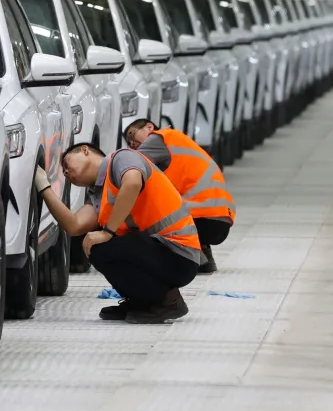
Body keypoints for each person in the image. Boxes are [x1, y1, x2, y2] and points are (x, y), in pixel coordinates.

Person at [34, 143, 202, 324]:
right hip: (160, 253)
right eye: (63, 172)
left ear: (85, 150)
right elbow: (74, 225)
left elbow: (132, 183)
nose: (66, 172)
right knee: (95, 247)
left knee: (103, 245)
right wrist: (44, 187)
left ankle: (168, 301)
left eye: (67, 164)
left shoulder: (122, 158)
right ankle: (141, 302)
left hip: (179, 252)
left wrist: (107, 232)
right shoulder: (99, 194)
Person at [124, 119, 235, 274]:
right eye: (129, 143)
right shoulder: (178, 140)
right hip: (221, 219)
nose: (132, 144)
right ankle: (203, 256)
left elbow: (127, 165)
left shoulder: (158, 138)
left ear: (149, 127)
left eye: (132, 135)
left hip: (202, 218)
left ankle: (189, 258)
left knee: (149, 214)